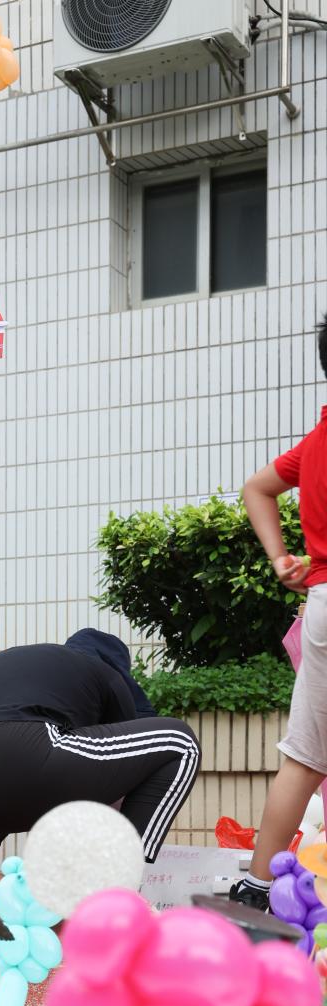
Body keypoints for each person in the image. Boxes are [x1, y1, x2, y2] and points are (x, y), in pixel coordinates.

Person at [0, 630, 200, 926]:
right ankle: (120, 891)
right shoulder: (108, 674)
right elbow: (122, 778)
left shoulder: (25, 663)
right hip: (15, 756)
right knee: (180, 742)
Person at [230, 316, 327, 911]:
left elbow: (256, 487)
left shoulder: (316, 442)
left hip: (322, 603)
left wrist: (280, 558)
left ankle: (257, 887)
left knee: (306, 755)